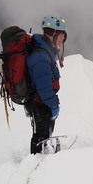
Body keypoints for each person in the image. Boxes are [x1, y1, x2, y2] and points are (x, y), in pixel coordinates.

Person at [25, 14, 67, 154]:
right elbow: (44, 88)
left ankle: (39, 159)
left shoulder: (44, 52)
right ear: (52, 33)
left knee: (42, 135)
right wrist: (54, 105)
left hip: (41, 103)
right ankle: (36, 163)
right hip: (40, 103)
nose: (62, 41)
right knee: (41, 137)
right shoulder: (41, 57)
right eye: (61, 37)